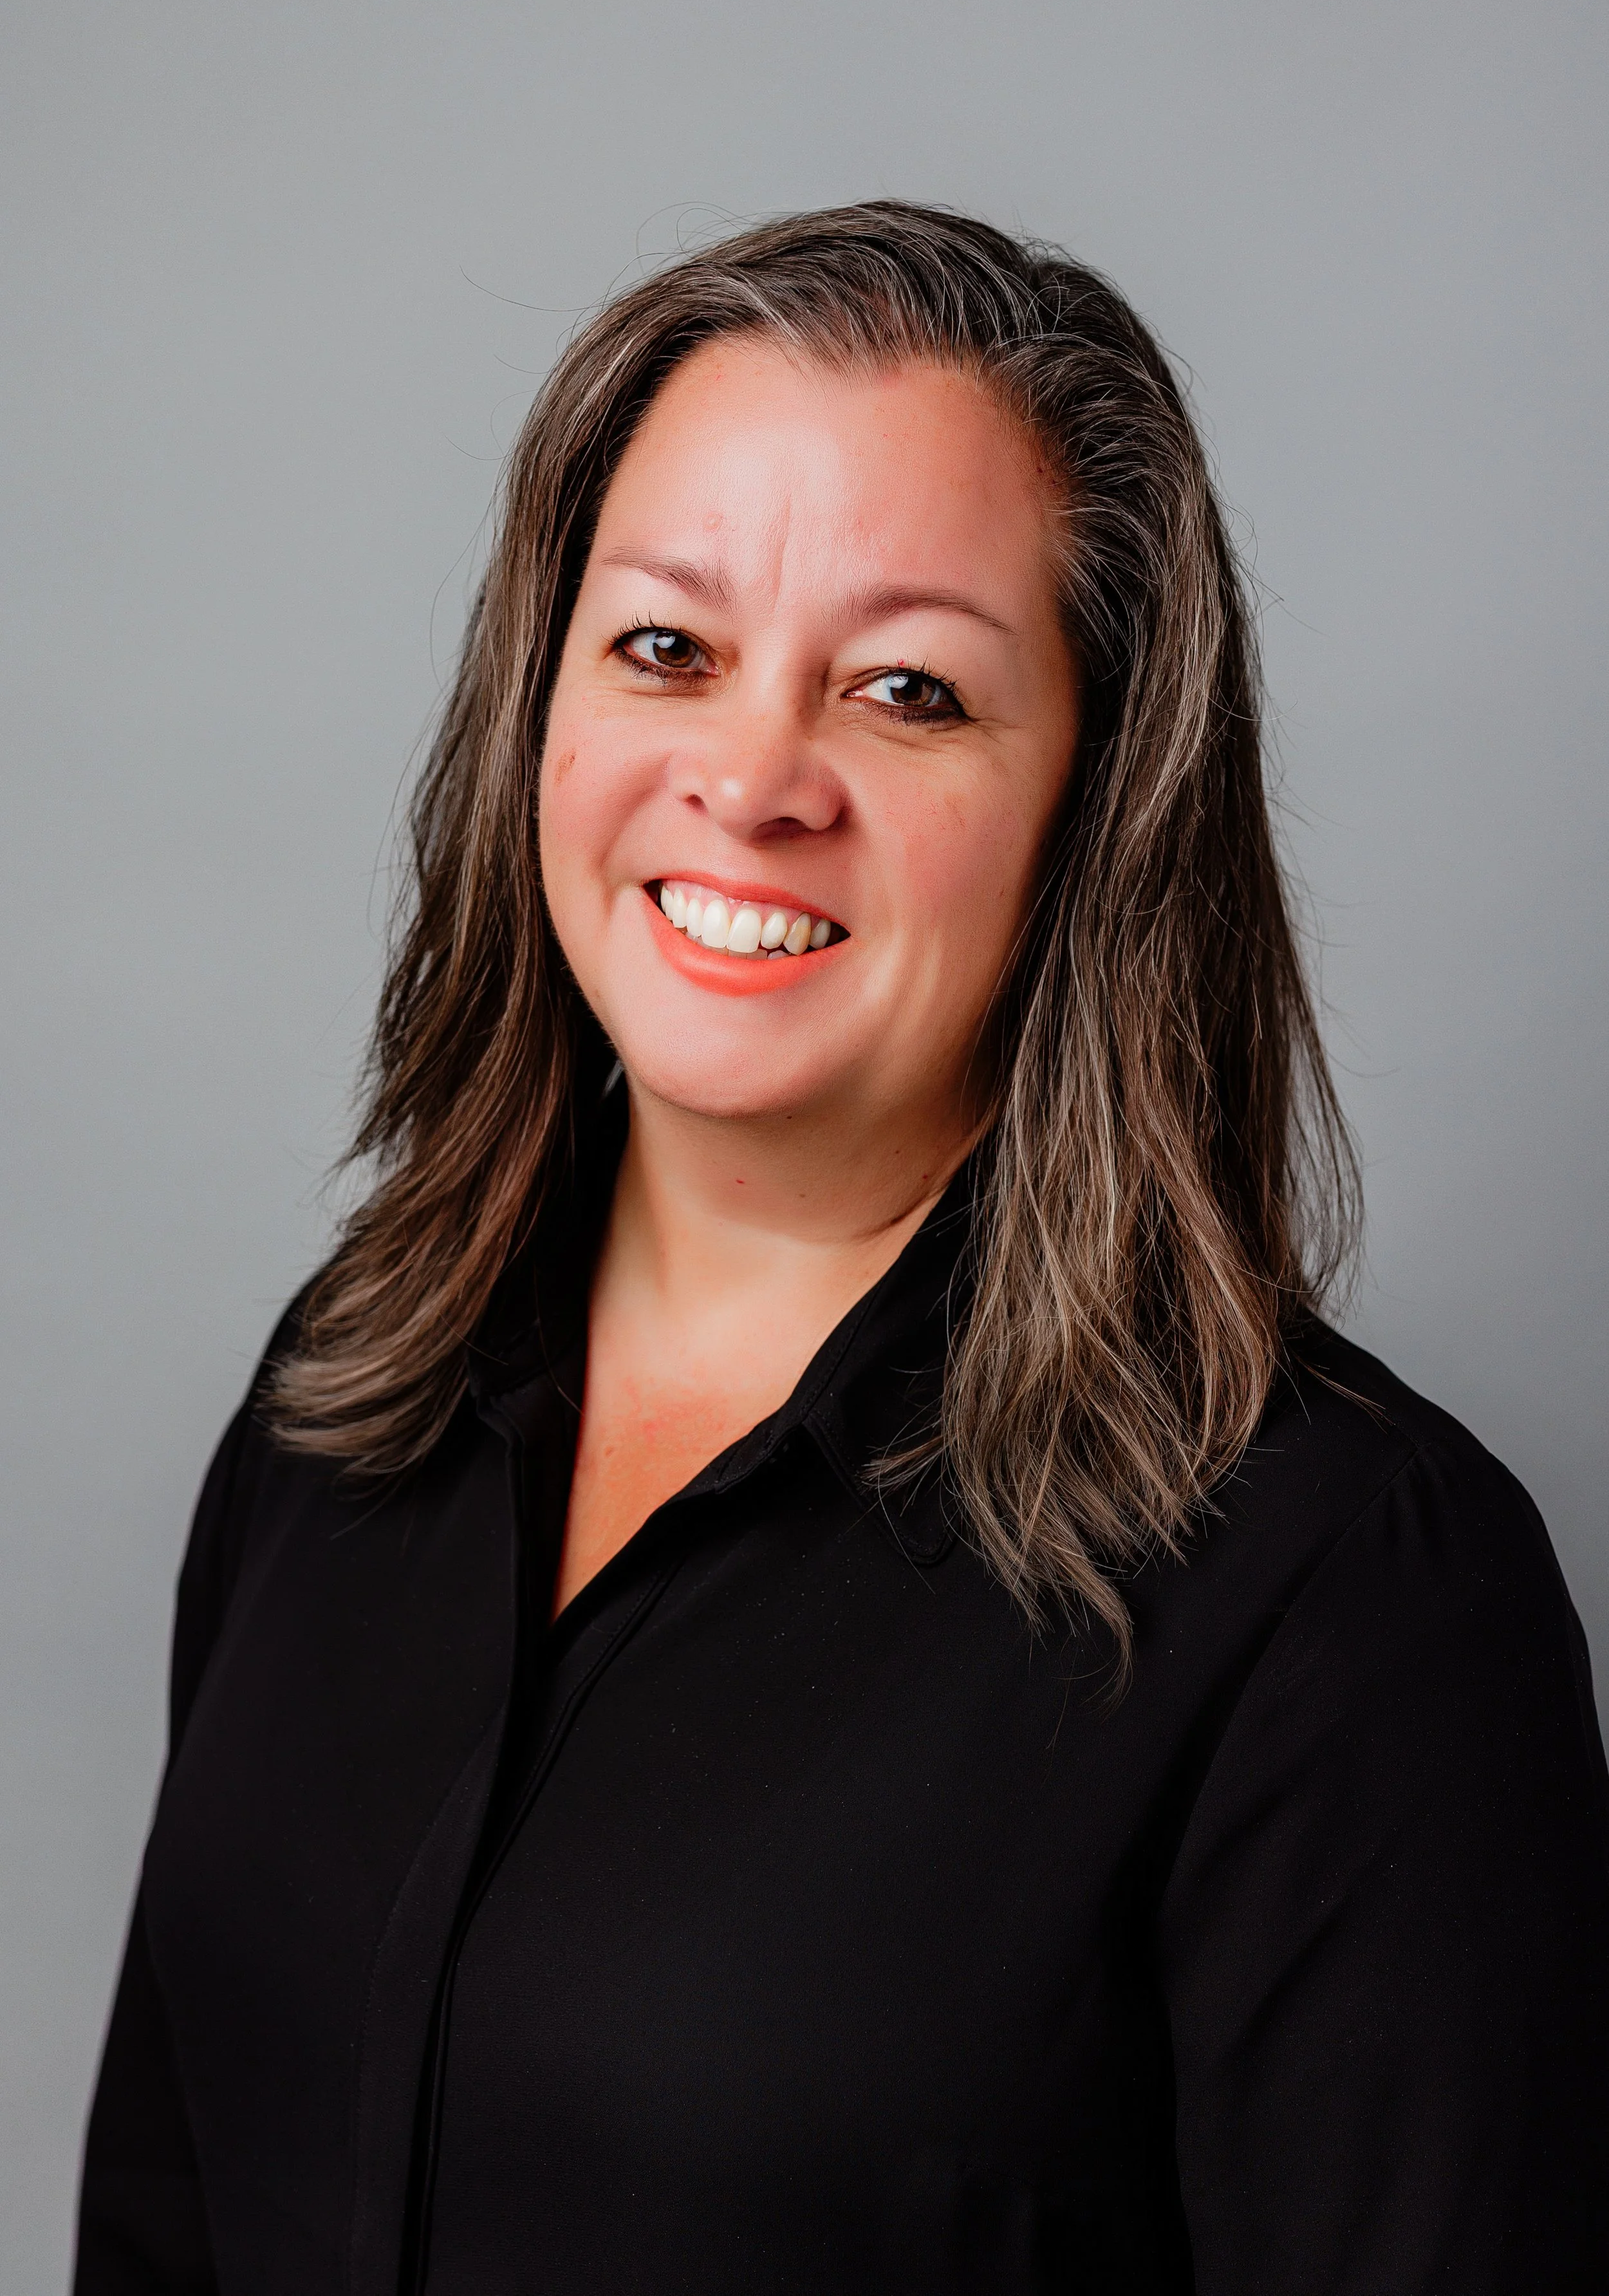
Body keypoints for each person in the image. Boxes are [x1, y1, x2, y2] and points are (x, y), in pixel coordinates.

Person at [75, 203, 1609, 2296]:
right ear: (544, 707)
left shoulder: (1350, 1607)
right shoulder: (343, 1404)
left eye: (908, 690)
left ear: (1097, 805)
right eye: (665, 647)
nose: (749, 776)